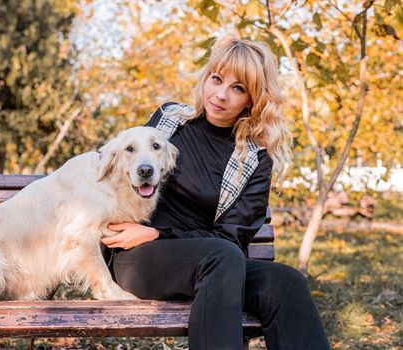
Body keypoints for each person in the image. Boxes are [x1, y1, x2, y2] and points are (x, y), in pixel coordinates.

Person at [101, 36, 330, 350]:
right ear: (206, 77)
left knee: (285, 282)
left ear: (252, 99)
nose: (221, 95)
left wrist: (155, 233)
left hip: (211, 265)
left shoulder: (254, 159)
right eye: (217, 79)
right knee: (220, 257)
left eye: (238, 88)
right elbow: (118, 171)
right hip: (136, 259)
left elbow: (231, 239)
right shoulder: (168, 122)